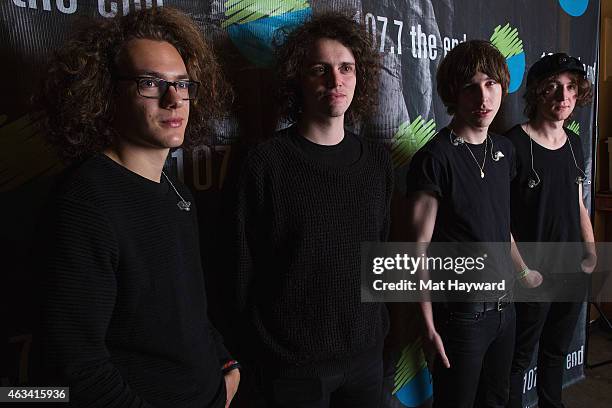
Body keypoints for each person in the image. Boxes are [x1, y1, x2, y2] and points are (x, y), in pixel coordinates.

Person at [37, 7, 239, 407]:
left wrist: (226, 366)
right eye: (150, 83)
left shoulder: (177, 191)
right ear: (106, 92)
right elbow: (79, 367)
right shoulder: (85, 201)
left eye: (183, 85)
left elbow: (188, 309)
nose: (173, 99)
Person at [235, 12, 392, 408]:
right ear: (297, 79)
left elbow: (381, 253)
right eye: (319, 69)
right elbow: (239, 269)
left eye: (345, 68)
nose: (335, 80)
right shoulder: (264, 162)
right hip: (292, 367)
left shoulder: (377, 161)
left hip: (367, 357)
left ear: (360, 77)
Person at [405, 40, 518, 407]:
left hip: (506, 310)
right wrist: (428, 327)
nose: (482, 96)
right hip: (462, 317)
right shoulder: (434, 158)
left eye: (490, 84)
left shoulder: (505, 151)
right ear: (454, 92)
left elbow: (500, 225)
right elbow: (416, 248)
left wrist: (524, 271)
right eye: (470, 86)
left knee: (496, 400)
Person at [506, 52, 596, 408]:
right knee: (519, 356)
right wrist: (523, 271)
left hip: (571, 270)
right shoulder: (513, 144)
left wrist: (590, 253)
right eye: (553, 88)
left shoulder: (574, 143)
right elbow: (500, 220)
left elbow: (578, 203)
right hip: (532, 274)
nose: (563, 97)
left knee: (556, 351)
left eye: (571, 88)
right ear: (537, 94)